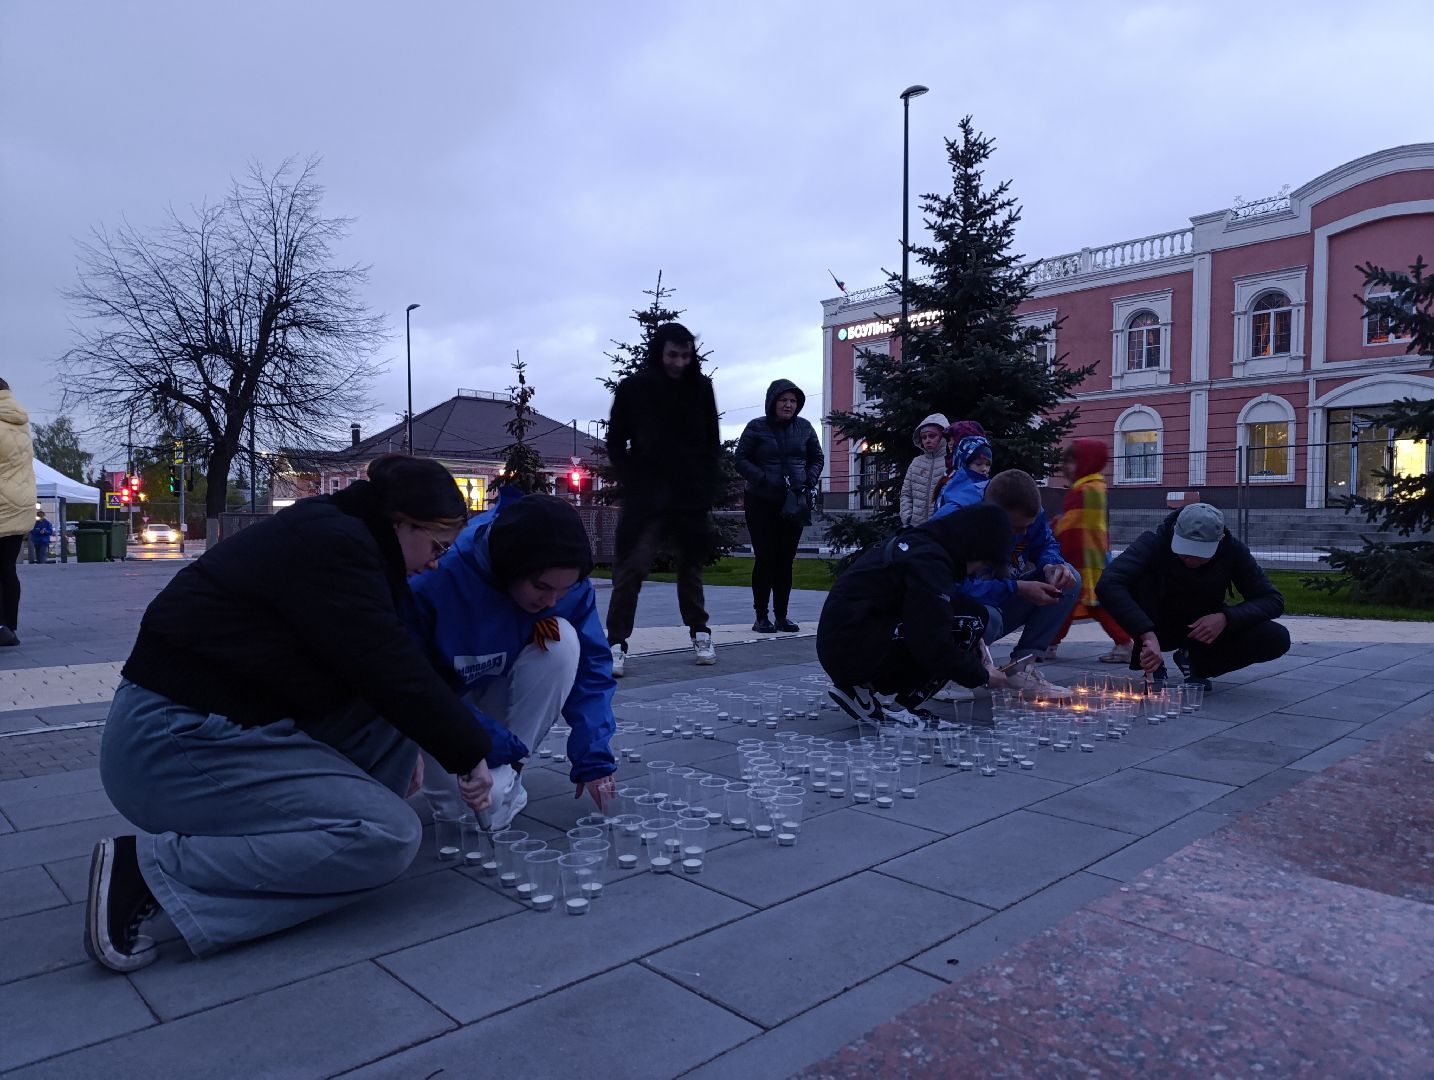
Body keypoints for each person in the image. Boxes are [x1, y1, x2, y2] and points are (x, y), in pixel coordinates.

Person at [85, 454, 494, 973]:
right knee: (391, 837)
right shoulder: (334, 545)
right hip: (168, 744)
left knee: (390, 725)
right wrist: (468, 754)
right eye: (435, 547)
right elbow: (387, 664)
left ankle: (331, 842)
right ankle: (146, 872)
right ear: (400, 523)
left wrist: (417, 738)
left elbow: (387, 671)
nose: (436, 562)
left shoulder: (348, 539)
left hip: (224, 724)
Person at [408, 491, 617, 830]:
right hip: (440, 703)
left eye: (564, 590)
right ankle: (498, 783)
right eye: (541, 587)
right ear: (509, 568)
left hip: (497, 686)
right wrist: (471, 746)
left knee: (563, 640)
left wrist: (594, 755)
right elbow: (411, 682)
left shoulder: (567, 583)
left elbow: (592, 667)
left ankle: (509, 776)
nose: (551, 601)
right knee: (462, 816)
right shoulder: (438, 577)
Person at [819, 502, 1013, 727]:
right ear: (975, 547)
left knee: (967, 614)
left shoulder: (923, 545)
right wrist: (983, 676)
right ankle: (902, 710)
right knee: (971, 622)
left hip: (843, 643)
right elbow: (931, 642)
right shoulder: (931, 562)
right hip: (852, 648)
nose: (979, 572)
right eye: (985, 565)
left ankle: (858, 689)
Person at [604, 322, 723, 675]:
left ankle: (701, 632)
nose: (679, 363)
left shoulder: (700, 388)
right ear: (660, 353)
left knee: (691, 567)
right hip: (648, 493)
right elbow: (615, 441)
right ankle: (616, 642)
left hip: (688, 493)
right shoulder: (634, 388)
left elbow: (712, 442)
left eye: (686, 356)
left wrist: (705, 485)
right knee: (632, 567)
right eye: (672, 355)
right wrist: (632, 477)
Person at [1097, 502, 1290, 691]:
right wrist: (1145, 633)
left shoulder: (1232, 551)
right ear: (1175, 532)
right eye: (1184, 550)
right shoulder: (1154, 542)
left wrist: (1226, 618)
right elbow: (1109, 583)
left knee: (1276, 637)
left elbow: (1272, 599)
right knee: (1135, 578)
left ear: (1219, 541)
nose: (1190, 559)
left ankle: (1195, 661)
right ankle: (1153, 664)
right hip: (1156, 623)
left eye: (1200, 554)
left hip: (1202, 629)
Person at [933, 465, 1079, 699]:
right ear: (990, 513)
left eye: (1025, 528)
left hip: (998, 594)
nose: (1019, 534)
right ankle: (951, 672)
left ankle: (1020, 669)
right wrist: (1018, 588)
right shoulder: (956, 515)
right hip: (954, 610)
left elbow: (1045, 544)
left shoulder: (1027, 511)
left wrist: (1052, 566)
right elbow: (946, 586)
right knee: (986, 617)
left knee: (1068, 580)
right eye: (1014, 528)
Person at [735, 379, 824, 633]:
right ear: (773, 401)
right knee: (765, 558)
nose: (788, 405)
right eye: (783, 400)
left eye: (793, 401)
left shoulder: (805, 427)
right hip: (761, 500)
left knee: (786, 560)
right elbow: (740, 458)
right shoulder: (756, 427)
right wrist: (762, 477)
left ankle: (782, 616)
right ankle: (761, 616)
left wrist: (808, 479)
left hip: (794, 501)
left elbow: (817, 457)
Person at [1047, 439, 1132, 663]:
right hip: (1090, 557)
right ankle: (1049, 643)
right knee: (1082, 601)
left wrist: (1055, 525)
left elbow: (1073, 524)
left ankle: (1124, 643)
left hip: (1084, 558)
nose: (1066, 467)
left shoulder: (1086, 489)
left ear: (1086, 462)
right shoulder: (1093, 486)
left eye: (1071, 461)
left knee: (1072, 600)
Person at [0, 378, 37, 647]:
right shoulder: (19, 422)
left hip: (2, 504)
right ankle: (8, 626)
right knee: (6, 569)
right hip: (19, 504)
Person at [898, 412, 950, 529]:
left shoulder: (951, 463)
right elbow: (906, 493)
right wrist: (907, 517)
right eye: (924, 437)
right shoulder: (916, 463)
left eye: (932, 436)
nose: (927, 440)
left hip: (941, 528)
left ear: (943, 437)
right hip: (916, 527)